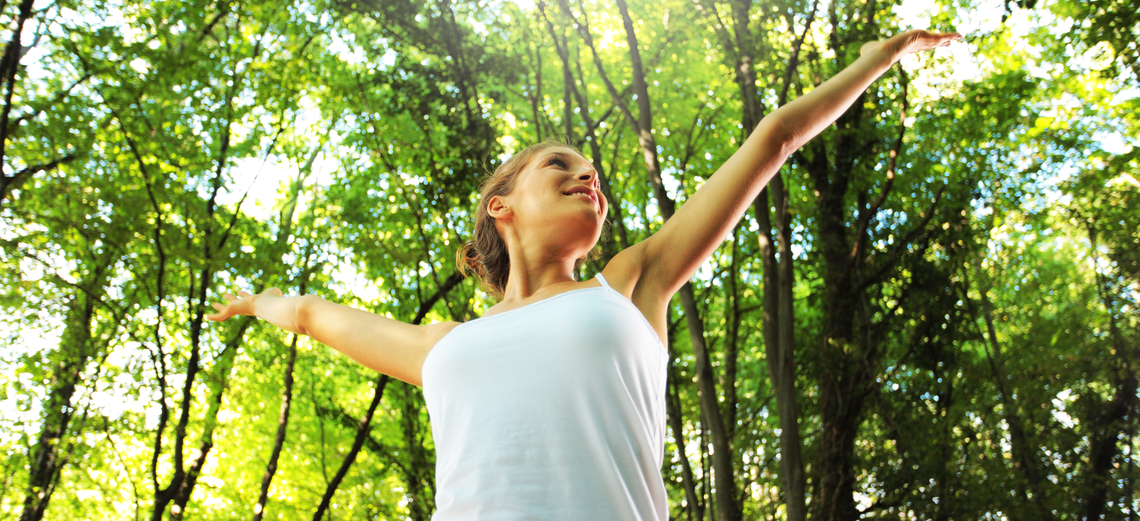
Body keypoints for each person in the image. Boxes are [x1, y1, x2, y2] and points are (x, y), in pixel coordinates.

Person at [208, 29, 960, 520]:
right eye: (562, 166)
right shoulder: (441, 346)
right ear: (501, 205)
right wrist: (260, 300)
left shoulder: (632, 282)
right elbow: (313, 316)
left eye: (595, 174)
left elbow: (775, 139)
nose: (588, 179)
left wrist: (876, 59)